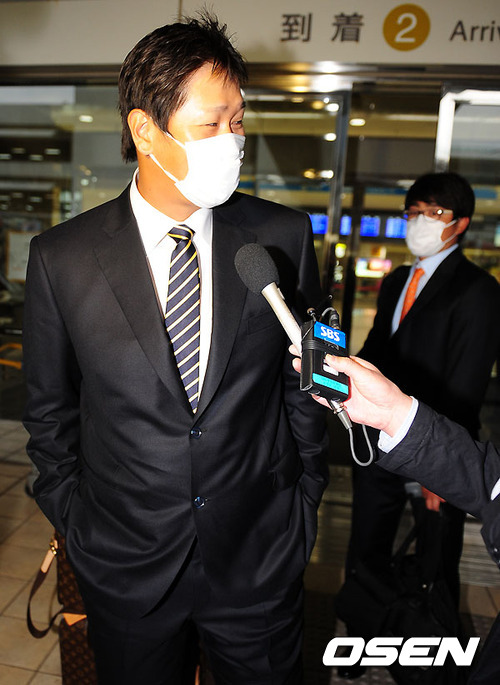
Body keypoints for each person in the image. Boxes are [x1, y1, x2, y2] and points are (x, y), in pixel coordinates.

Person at [22, 14, 328, 685]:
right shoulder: (63, 258)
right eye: (211, 123)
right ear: (144, 130)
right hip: (126, 566)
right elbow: (49, 415)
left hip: (259, 557)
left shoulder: (281, 236)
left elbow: (304, 381)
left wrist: (303, 502)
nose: (233, 141)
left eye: (238, 122)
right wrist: (80, 524)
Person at [336, 172, 500, 677]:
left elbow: (466, 385)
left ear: (460, 223)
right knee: (366, 547)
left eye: (433, 213)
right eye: (413, 212)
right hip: (378, 441)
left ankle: (432, 656)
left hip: (437, 450)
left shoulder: (478, 290)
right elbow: (376, 352)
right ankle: (361, 640)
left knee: (434, 557)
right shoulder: (395, 281)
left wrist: (441, 470)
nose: (419, 222)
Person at [292, 351, 500, 685]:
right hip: (391, 441)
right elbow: (491, 480)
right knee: (367, 548)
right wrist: (394, 414)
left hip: (435, 449)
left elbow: (467, 377)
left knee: (434, 565)